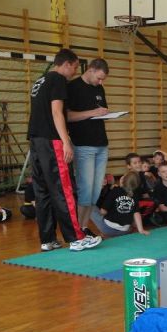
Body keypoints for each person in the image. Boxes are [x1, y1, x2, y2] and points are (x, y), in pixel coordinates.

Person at [27, 48, 102, 252]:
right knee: (64, 189)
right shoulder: (58, 79)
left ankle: (48, 239)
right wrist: (66, 141)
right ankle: (76, 238)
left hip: (36, 141)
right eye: (75, 67)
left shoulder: (40, 80)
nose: (75, 72)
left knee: (43, 192)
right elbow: (57, 112)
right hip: (52, 141)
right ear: (67, 64)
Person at [66, 58, 110, 238]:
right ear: (91, 70)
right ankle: (77, 230)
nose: (100, 82)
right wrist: (93, 113)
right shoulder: (73, 87)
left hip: (101, 144)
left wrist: (105, 113)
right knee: (85, 191)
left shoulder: (99, 87)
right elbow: (67, 116)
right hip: (84, 145)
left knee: (95, 192)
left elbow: (100, 109)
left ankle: (84, 227)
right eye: (99, 78)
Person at [90, 171, 150, 238]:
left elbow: (103, 212)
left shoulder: (115, 190)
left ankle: (86, 230)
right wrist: (141, 230)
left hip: (107, 229)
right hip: (125, 231)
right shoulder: (135, 195)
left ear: (123, 180)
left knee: (89, 205)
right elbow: (137, 213)